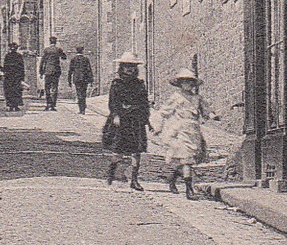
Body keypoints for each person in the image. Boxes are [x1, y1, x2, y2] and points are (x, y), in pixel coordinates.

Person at [153, 70, 211, 199]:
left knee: (189, 159)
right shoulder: (176, 98)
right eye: (185, 82)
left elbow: (205, 111)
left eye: (191, 82)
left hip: (194, 130)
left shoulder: (197, 98)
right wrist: (158, 127)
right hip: (180, 131)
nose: (188, 84)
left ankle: (172, 177)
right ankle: (189, 190)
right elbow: (164, 112)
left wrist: (213, 115)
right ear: (180, 84)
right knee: (187, 160)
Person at [105, 52, 151, 190]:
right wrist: (116, 116)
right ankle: (112, 168)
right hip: (122, 120)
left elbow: (144, 102)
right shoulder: (117, 84)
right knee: (118, 152)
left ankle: (134, 180)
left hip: (136, 120)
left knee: (136, 151)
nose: (129, 69)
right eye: (127, 66)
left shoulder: (140, 84)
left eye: (132, 66)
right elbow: (113, 102)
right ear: (122, 68)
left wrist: (147, 119)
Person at [38, 35, 67, 110]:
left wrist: (41, 72)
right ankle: (53, 105)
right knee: (54, 88)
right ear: (56, 42)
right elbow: (64, 57)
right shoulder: (58, 49)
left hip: (47, 71)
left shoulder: (46, 50)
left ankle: (48, 104)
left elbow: (42, 61)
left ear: (50, 42)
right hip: (55, 71)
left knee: (47, 87)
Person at [67, 45, 94, 114]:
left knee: (79, 93)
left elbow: (70, 70)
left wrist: (69, 80)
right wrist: (91, 80)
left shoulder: (73, 59)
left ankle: (81, 109)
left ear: (76, 51)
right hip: (84, 79)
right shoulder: (86, 59)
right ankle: (83, 109)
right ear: (82, 51)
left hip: (77, 79)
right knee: (84, 93)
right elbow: (89, 70)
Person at [2, 43, 26, 111]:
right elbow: (21, 67)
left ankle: (10, 105)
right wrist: (22, 76)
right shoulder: (19, 56)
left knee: (9, 90)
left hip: (9, 76)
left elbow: (5, 66)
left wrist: (4, 73)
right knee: (16, 90)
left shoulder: (7, 56)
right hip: (16, 76)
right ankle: (15, 105)